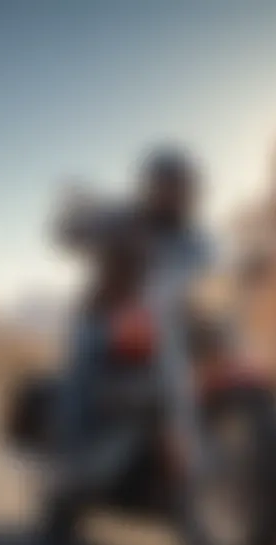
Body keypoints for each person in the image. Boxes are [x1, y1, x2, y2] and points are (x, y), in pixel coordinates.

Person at [53, 146, 213, 494]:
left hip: (174, 325)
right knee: (85, 361)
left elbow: (217, 267)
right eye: (168, 184)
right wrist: (75, 218)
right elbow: (73, 232)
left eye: (183, 185)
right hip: (110, 319)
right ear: (152, 186)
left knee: (217, 342)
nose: (176, 192)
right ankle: (73, 462)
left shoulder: (194, 238)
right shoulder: (123, 218)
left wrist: (250, 266)